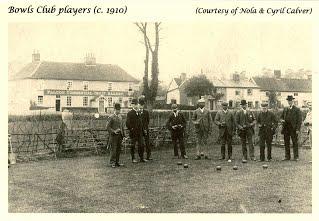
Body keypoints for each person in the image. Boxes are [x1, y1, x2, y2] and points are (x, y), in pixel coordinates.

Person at [281, 95, 302, 161]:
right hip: (286, 128)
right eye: (288, 101)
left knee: (295, 142)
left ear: (293, 101)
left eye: (291, 100)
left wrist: (298, 129)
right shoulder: (285, 109)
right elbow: (281, 117)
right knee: (286, 142)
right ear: (287, 101)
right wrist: (282, 120)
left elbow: (299, 120)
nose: (289, 102)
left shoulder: (297, 109)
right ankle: (287, 156)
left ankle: (296, 157)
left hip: (293, 128)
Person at [126, 98, 146, 163]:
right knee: (133, 146)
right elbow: (127, 123)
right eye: (134, 104)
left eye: (136, 104)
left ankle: (141, 158)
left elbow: (141, 123)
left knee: (141, 145)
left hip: (140, 133)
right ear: (132, 105)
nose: (136, 105)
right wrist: (131, 129)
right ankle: (133, 158)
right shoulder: (130, 113)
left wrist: (143, 131)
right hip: (133, 133)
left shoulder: (139, 113)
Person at [107, 103, 125, 168]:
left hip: (120, 136)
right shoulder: (111, 117)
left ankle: (117, 162)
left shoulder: (120, 117)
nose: (118, 111)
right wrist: (114, 131)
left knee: (118, 149)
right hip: (113, 136)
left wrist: (124, 135)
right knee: (113, 150)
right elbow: (108, 127)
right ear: (114, 109)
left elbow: (122, 127)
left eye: (119, 110)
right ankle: (112, 162)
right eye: (117, 110)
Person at [138, 96, 152, 160]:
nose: (141, 108)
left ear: (143, 106)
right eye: (140, 107)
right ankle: (141, 157)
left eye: (142, 106)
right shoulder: (137, 113)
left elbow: (147, 121)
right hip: (140, 130)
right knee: (141, 144)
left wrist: (145, 129)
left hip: (146, 130)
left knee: (147, 143)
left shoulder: (146, 112)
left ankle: (148, 156)